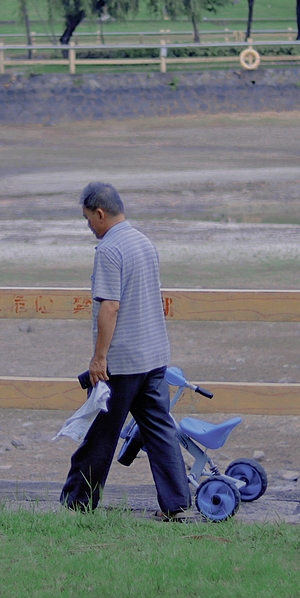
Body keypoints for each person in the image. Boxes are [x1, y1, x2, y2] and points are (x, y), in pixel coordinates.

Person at [60, 182, 190, 518]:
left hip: (123, 360)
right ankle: (176, 504)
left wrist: (99, 357)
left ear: (100, 213)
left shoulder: (109, 250)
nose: (89, 226)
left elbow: (110, 307)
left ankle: (78, 502)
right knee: (160, 430)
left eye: (89, 219)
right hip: (154, 355)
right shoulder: (144, 243)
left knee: (101, 431)